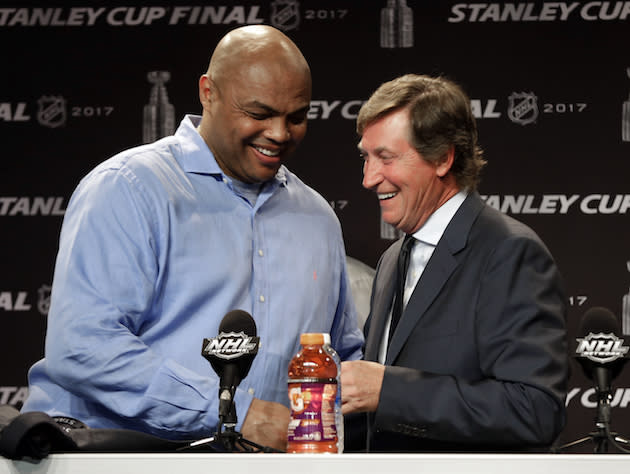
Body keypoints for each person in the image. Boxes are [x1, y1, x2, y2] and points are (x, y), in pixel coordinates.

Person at [21, 25, 363, 451]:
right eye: (258, 114)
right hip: (116, 458)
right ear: (208, 92)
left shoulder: (318, 219)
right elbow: (84, 347)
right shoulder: (128, 188)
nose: (279, 133)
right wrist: (234, 412)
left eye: (296, 117)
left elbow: (343, 360)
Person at [341, 74, 568, 452]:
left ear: (443, 158)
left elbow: (535, 410)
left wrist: (388, 390)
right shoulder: (392, 259)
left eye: (386, 157)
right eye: (366, 157)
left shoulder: (510, 254)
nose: (368, 178)